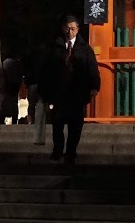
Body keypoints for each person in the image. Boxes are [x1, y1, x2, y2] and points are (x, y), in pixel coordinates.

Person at [37, 15, 99, 165]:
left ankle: (71, 152)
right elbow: (46, 70)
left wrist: (94, 86)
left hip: (77, 92)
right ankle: (58, 150)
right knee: (57, 124)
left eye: (72, 28)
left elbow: (93, 69)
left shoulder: (85, 49)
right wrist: (44, 93)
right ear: (62, 28)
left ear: (77, 29)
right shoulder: (54, 47)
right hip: (58, 92)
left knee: (75, 126)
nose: (69, 31)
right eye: (67, 28)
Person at [0, 58, 23, 126]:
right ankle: (14, 125)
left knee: (2, 109)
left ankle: (0, 125)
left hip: (4, 90)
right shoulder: (16, 65)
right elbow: (19, 78)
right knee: (13, 109)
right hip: (13, 90)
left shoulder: (2, 65)